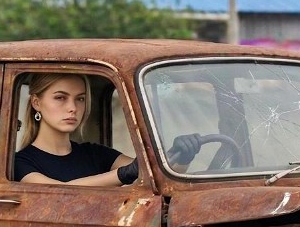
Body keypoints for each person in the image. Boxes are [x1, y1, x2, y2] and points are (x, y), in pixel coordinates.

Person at [13, 73, 202, 184]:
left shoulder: (94, 153)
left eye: (80, 99)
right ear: (37, 102)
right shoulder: (19, 163)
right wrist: (122, 174)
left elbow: (154, 176)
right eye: (60, 97)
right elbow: (59, 192)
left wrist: (182, 158)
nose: (73, 108)